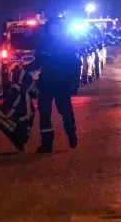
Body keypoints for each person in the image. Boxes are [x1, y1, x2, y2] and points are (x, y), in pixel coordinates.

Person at [25, 17, 80, 153]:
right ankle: (47, 143)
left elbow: (75, 65)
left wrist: (74, 84)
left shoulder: (67, 44)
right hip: (46, 83)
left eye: (55, 27)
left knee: (65, 111)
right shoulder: (43, 44)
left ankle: (71, 133)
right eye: (51, 27)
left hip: (62, 83)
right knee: (44, 113)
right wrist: (24, 69)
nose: (53, 30)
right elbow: (38, 63)